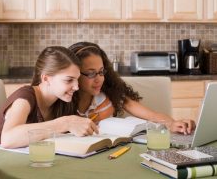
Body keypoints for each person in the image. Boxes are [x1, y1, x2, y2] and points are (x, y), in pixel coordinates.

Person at [0, 46, 98, 156]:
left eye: (77, 80)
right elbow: (8, 139)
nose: (76, 87)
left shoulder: (62, 101)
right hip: (2, 164)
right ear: (46, 78)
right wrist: (65, 123)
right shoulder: (24, 98)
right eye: (69, 80)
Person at [68, 42, 196, 134]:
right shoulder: (64, 97)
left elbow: (152, 115)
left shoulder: (110, 92)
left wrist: (172, 124)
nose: (99, 79)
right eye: (91, 73)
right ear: (75, 73)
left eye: (101, 72)